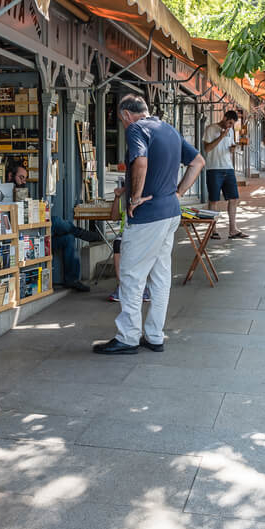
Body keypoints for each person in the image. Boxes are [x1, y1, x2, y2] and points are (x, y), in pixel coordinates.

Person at [93, 94, 204, 355]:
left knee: (131, 276)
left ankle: (128, 337)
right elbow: (198, 162)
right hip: (170, 212)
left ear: (126, 115)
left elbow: (140, 161)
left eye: (122, 121)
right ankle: (154, 335)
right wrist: (178, 193)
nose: (123, 125)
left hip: (147, 216)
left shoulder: (136, 129)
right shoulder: (169, 129)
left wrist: (134, 197)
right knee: (160, 276)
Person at [202, 110, 247, 239]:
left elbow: (229, 147)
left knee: (234, 199)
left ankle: (233, 229)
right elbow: (207, 148)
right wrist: (221, 136)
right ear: (225, 118)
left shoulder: (231, 131)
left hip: (228, 168)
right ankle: (213, 230)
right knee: (214, 200)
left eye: (232, 124)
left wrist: (233, 149)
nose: (229, 126)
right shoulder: (211, 129)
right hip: (214, 168)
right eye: (229, 122)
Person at [106, 184, 151, 303]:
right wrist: (117, 197)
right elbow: (114, 217)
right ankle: (122, 286)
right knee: (117, 244)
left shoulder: (145, 194)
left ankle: (143, 287)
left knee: (142, 246)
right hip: (125, 233)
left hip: (142, 232)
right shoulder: (124, 198)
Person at [50, 216, 103, 292]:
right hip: (33, 236)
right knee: (55, 220)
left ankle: (72, 280)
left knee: (69, 238)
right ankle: (79, 232)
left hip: (47, 236)